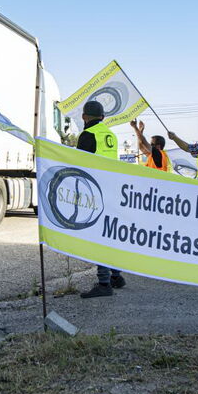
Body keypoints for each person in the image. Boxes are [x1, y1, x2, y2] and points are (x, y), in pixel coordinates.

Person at [75, 100, 126, 297]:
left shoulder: (88, 134)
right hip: (112, 189)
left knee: (99, 237)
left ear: (84, 117)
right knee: (108, 234)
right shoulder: (110, 135)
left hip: (96, 192)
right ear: (103, 117)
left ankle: (104, 283)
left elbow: (79, 165)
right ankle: (116, 276)